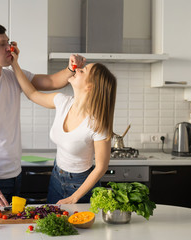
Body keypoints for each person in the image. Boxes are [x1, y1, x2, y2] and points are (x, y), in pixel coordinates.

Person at [0, 22, 85, 207]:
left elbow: (52, 81)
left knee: (13, 230)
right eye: (1, 44)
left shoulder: (13, 77)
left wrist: (71, 68)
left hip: (15, 174)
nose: (9, 48)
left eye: (8, 42)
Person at [10, 45, 117, 204]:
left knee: (79, 228)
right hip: (56, 177)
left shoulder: (97, 124)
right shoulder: (63, 102)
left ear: (90, 87)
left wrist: (75, 197)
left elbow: (101, 167)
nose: (77, 70)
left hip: (81, 186)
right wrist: (14, 64)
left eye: (83, 71)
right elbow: (32, 94)